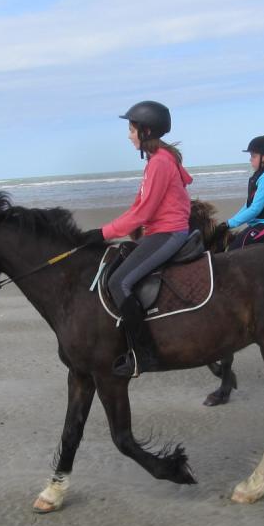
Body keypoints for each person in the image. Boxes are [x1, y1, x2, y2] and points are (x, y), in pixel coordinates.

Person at [78, 101, 194, 377]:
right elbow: (139, 205)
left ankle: (145, 355)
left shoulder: (160, 163)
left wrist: (103, 233)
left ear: (146, 130)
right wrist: (119, 229)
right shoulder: (159, 160)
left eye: (131, 130)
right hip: (159, 230)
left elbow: (144, 211)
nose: (129, 135)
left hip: (169, 233)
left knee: (119, 282)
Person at [222, 135, 264, 251]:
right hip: (258, 225)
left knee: (233, 250)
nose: (250, 159)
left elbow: (255, 209)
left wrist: (229, 224)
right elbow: (248, 206)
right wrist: (228, 222)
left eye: (253, 156)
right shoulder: (259, 175)